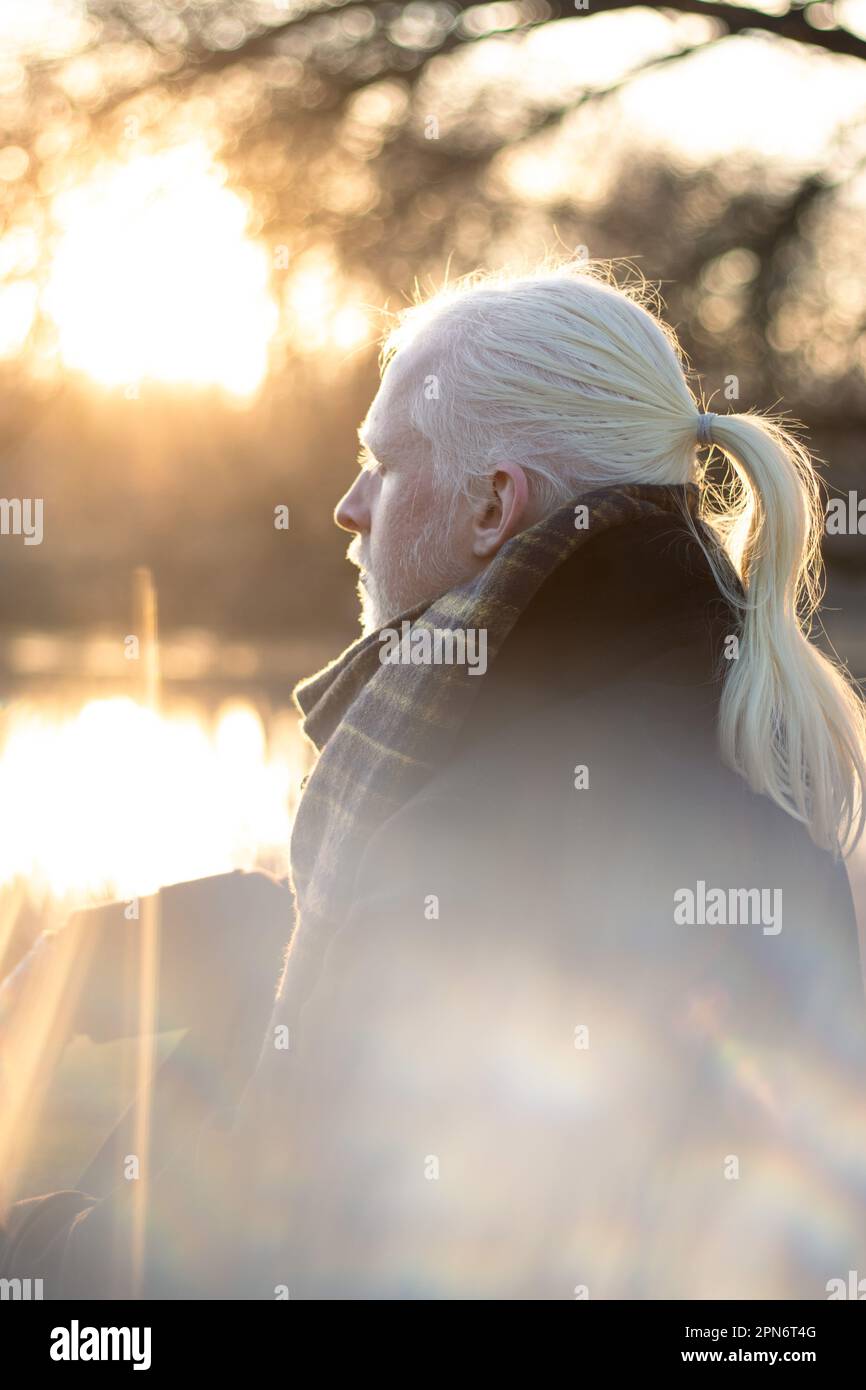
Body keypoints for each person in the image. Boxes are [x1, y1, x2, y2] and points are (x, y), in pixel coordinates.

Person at [4, 260, 866, 1299]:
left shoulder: (485, 825)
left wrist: (31, 1263)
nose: (345, 506)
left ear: (492, 504)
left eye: (381, 464)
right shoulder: (668, 727)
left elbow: (276, 1260)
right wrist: (176, 939)